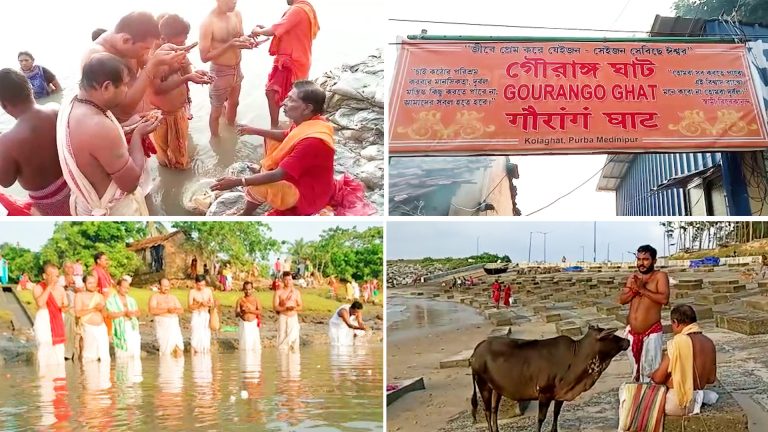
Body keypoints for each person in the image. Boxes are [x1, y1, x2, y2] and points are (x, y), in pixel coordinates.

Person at [210, 81, 335, 216]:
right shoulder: (309, 121)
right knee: (271, 138)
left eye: (291, 100)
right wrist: (254, 130)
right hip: (304, 175)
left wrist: (239, 181)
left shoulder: (312, 142)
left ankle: (246, 214)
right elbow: (287, 135)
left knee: (260, 185)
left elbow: (278, 175)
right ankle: (262, 170)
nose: (283, 103)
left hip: (309, 193)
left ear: (307, 108)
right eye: (287, 97)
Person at [57, 53, 160, 216]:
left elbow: (94, 149)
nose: (127, 90)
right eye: (125, 85)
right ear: (106, 87)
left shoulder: (73, 105)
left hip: (85, 204)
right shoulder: (99, 126)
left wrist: (128, 125)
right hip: (113, 211)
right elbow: (130, 183)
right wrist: (138, 135)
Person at [0, 68, 70, 216]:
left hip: (48, 205)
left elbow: (5, 181)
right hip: (74, 186)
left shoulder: (6, 141)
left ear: (4, 105)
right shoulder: (55, 109)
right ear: (31, 88)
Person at [150, 14, 212, 169]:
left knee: (180, 152)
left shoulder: (179, 51)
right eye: (179, 42)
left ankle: (180, 174)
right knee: (165, 156)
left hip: (179, 111)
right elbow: (157, 89)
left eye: (184, 41)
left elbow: (187, 72)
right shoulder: (153, 58)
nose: (183, 45)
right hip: (163, 117)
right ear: (164, 39)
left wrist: (198, 73)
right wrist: (187, 77)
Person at [250, 0, 320, 128]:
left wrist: (258, 31)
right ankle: (294, 125)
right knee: (294, 95)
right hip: (300, 58)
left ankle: (275, 127)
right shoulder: (307, 8)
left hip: (291, 61)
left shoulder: (298, 10)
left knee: (272, 93)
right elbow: (286, 29)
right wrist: (265, 29)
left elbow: (276, 29)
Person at [199, 0, 260, 138]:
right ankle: (216, 141)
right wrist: (230, 45)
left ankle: (231, 135)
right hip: (220, 72)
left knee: (235, 103)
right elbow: (204, 57)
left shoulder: (236, 14)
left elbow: (240, 37)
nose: (234, 2)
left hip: (237, 68)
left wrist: (248, 40)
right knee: (216, 112)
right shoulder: (208, 22)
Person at [649, 305, 718, 416]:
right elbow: (711, 379)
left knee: (626, 393)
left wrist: (653, 374)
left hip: (677, 403)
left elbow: (658, 378)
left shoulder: (678, 343)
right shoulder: (709, 343)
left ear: (675, 322)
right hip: (697, 399)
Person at [619, 244, 670, 383]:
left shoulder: (660, 276)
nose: (641, 263)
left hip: (651, 332)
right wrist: (634, 290)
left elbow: (664, 299)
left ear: (654, 260)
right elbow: (622, 300)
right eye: (639, 259)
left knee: (651, 372)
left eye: (646, 259)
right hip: (632, 333)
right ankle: (638, 397)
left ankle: (651, 401)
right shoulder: (632, 278)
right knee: (636, 371)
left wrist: (643, 289)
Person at [33, 263, 68, 365]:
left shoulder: (61, 289)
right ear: (45, 276)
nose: (55, 278)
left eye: (57, 276)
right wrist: (49, 287)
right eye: (52, 275)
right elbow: (40, 303)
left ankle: (60, 376)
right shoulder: (38, 288)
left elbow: (65, 305)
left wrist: (64, 307)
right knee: (45, 345)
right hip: (44, 319)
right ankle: (44, 377)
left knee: (59, 349)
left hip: (58, 318)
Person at [76, 275, 110, 363]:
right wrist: (94, 308)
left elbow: (105, 314)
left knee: (104, 356)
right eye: (89, 283)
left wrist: (103, 307)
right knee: (89, 357)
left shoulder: (99, 296)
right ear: (84, 284)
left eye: (94, 283)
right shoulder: (79, 296)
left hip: (101, 328)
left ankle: (104, 375)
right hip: (88, 327)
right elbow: (78, 313)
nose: (92, 285)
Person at [106, 278, 141, 358]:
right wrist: (123, 313)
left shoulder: (131, 300)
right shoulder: (111, 300)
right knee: (122, 355)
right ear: (118, 287)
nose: (126, 290)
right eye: (124, 288)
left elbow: (138, 312)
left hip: (132, 327)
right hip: (120, 327)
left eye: (128, 288)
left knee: (135, 353)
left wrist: (132, 314)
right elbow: (109, 315)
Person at [149, 278, 185, 357]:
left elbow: (181, 310)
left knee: (179, 348)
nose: (166, 288)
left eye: (168, 286)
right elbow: (152, 310)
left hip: (174, 324)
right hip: (163, 324)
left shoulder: (173, 297)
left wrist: (174, 310)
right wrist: (167, 310)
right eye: (164, 286)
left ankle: (178, 368)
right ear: (159, 286)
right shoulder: (155, 297)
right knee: (166, 350)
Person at [59, 262, 84, 360]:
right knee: (66, 330)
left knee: (77, 331)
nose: (69, 269)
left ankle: (77, 353)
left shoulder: (77, 279)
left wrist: (75, 288)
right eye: (67, 267)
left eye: (71, 267)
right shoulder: (60, 279)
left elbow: (83, 290)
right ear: (63, 268)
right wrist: (65, 287)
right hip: (65, 308)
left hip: (76, 307)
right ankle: (67, 353)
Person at [274, 271, 302, 351]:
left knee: (294, 338)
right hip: (283, 316)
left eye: (289, 279)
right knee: (282, 336)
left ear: (292, 280)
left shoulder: (296, 292)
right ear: (282, 280)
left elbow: (300, 306)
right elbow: (276, 307)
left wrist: (293, 308)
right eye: (286, 280)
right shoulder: (278, 292)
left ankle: (294, 360)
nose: (288, 282)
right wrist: (286, 308)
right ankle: (282, 357)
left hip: (293, 316)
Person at [189, 275, 214, 354]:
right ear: (196, 284)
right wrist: (199, 304)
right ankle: (194, 352)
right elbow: (190, 306)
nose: (201, 287)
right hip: (196, 315)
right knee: (195, 335)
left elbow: (212, 304)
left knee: (206, 334)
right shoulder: (192, 292)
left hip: (205, 315)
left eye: (203, 285)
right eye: (199, 285)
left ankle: (206, 352)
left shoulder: (208, 291)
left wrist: (207, 304)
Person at [236, 281, 262, 351]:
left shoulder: (256, 299)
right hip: (244, 324)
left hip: (253, 324)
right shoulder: (240, 300)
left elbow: (259, 311)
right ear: (243, 289)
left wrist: (249, 311)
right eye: (246, 289)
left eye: (249, 289)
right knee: (244, 346)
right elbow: (236, 313)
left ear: (252, 289)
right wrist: (242, 312)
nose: (247, 291)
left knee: (255, 346)